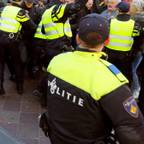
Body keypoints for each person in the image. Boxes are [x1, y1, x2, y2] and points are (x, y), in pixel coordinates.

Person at [40, 14, 144, 144]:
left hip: (55, 136)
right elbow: (132, 130)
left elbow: (45, 94)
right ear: (107, 41)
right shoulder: (111, 79)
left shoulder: (57, 61)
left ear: (77, 38)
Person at [0, 0, 36, 95]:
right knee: (17, 63)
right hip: (12, 40)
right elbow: (31, 26)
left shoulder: (5, 8)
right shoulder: (20, 12)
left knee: (0, 61)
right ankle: (19, 87)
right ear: (21, 1)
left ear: (11, 0)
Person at [105, 1, 141, 84]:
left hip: (110, 54)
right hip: (126, 55)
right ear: (128, 10)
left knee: (109, 76)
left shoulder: (110, 22)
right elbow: (137, 40)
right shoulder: (134, 24)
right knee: (124, 77)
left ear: (118, 10)